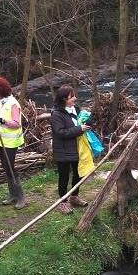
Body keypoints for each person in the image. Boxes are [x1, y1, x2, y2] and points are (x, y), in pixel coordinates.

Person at [0, 77, 27, 209]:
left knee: (10, 167)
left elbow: (16, 123)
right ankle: (12, 195)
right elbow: (1, 120)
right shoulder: (2, 102)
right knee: (5, 167)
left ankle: (21, 197)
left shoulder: (12, 103)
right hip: (1, 140)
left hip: (11, 141)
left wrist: (2, 121)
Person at [50, 85, 91, 215]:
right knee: (64, 177)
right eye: (71, 96)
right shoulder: (57, 114)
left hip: (77, 149)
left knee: (78, 174)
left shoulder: (76, 109)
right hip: (63, 151)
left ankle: (74, 197)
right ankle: (62, 202)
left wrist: (89, 122)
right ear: (63, 99)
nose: (75, 98)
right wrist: (79, 129)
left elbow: (79, 123)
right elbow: (60, 132)